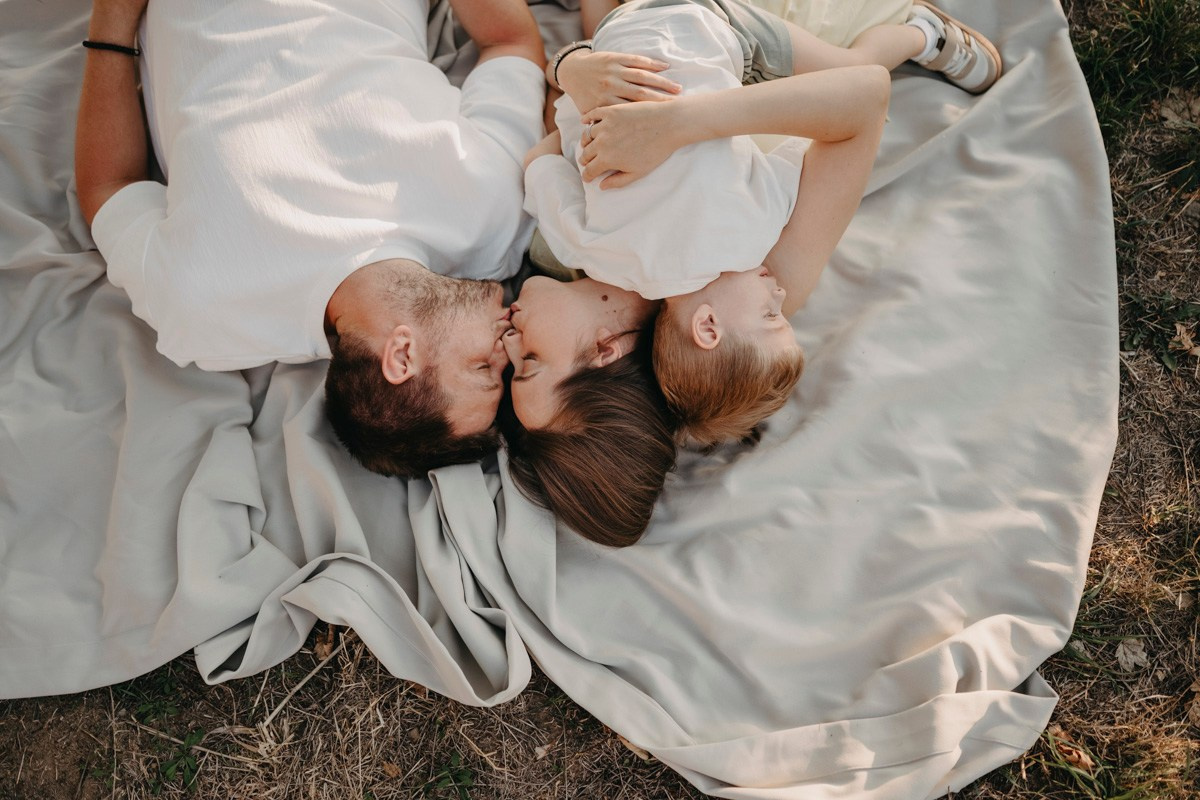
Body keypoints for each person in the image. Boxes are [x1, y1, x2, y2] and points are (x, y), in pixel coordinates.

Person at [498, 0, 1001, 545]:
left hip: (641, 47)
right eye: (528, 363)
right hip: (739, 52)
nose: (506, 344)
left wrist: (572, 66)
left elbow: (566, 121)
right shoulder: (766, 280)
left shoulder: (559, 255)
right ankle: (923, 34)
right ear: (605, 351)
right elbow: (864, 95)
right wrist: (677, 125)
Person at [74, 0, 547, 478]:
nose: (508, 349)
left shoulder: (201, 309)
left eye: (486, 370)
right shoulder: (497, 220)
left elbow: (108, 188)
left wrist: (112, 17)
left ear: (402, 356)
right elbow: (509, 42)